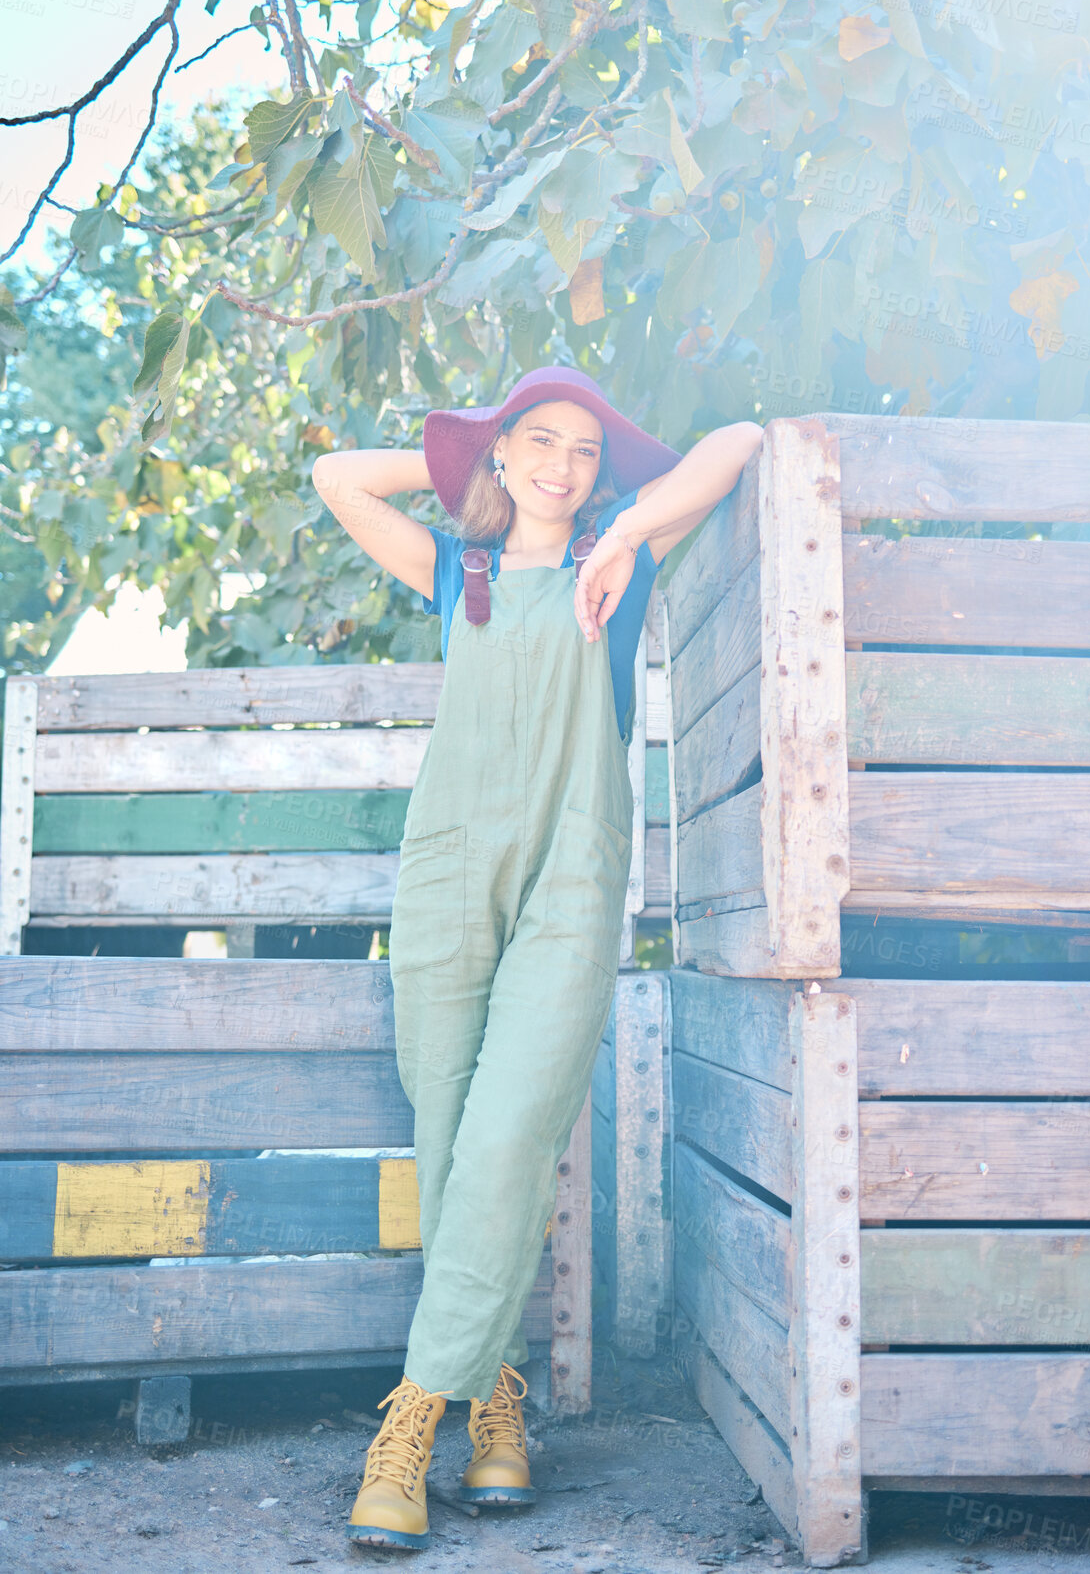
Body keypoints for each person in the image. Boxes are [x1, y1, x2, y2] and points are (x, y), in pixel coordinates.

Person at [311, 366, 763, 1551]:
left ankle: (411, 1417)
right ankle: (497, 1398)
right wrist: (461, 458)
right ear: (503, 457)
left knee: (511, 1130)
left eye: (581, 446)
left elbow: (740, 438)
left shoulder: (620, 563)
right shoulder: (450, 572)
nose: (561, 464)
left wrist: (623, 529)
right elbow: (337, 477)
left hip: (571, 875)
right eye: (535, 442)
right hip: (450, 874)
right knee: (451, 1137)